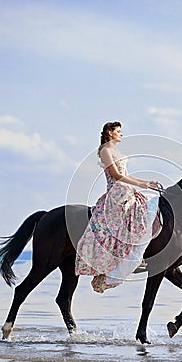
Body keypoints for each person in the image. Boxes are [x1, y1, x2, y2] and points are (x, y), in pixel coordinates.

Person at [75, 121, 160, 293]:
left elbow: (127, 175)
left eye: (121, 131)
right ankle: (123, 256)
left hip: (127, 189)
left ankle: (139, 253)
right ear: (110, 132)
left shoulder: (119, 152)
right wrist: (143, 184)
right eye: (118, 131)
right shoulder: (105, 151)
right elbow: (116, 175)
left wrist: (144, 184)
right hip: (116, 192)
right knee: (135, 213)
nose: (121, 133)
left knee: (150, 206)